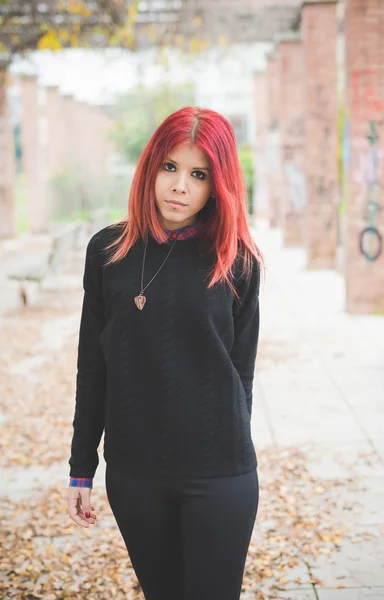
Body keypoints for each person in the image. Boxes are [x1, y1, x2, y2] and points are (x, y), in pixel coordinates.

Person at [66, 106, 264, 600]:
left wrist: (232, 446)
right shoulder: (107, 251)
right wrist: (80, 466)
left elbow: (241, 372)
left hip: (219, 472)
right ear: (150, 167)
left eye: (199, 174)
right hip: (136, 473)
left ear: (218, 184)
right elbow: (93, 366)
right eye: (170, 167)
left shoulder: (236, 259)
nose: (180, 186)